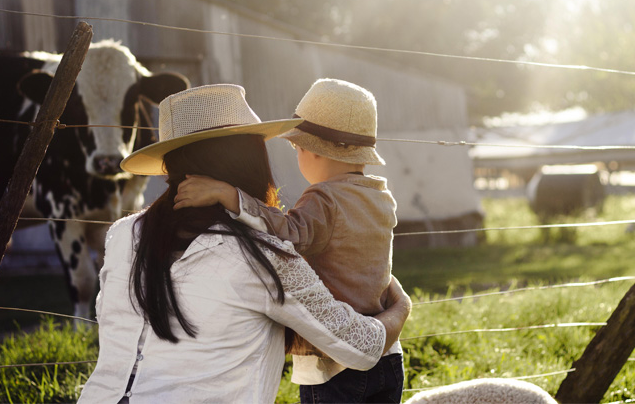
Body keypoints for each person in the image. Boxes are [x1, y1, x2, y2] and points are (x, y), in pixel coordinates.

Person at [77, 84, 411, 404]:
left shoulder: (123, 234)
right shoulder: (262, 257)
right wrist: (400, 308)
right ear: (250, 159)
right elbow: (361, 348)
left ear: (172, 162)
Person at [174, 79, 404, 403]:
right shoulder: (381, 196)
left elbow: (290, 235)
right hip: (388, 354)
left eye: (296, 149)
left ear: (311, 150)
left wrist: (230, 195)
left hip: (334, 363)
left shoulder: (323, 197)